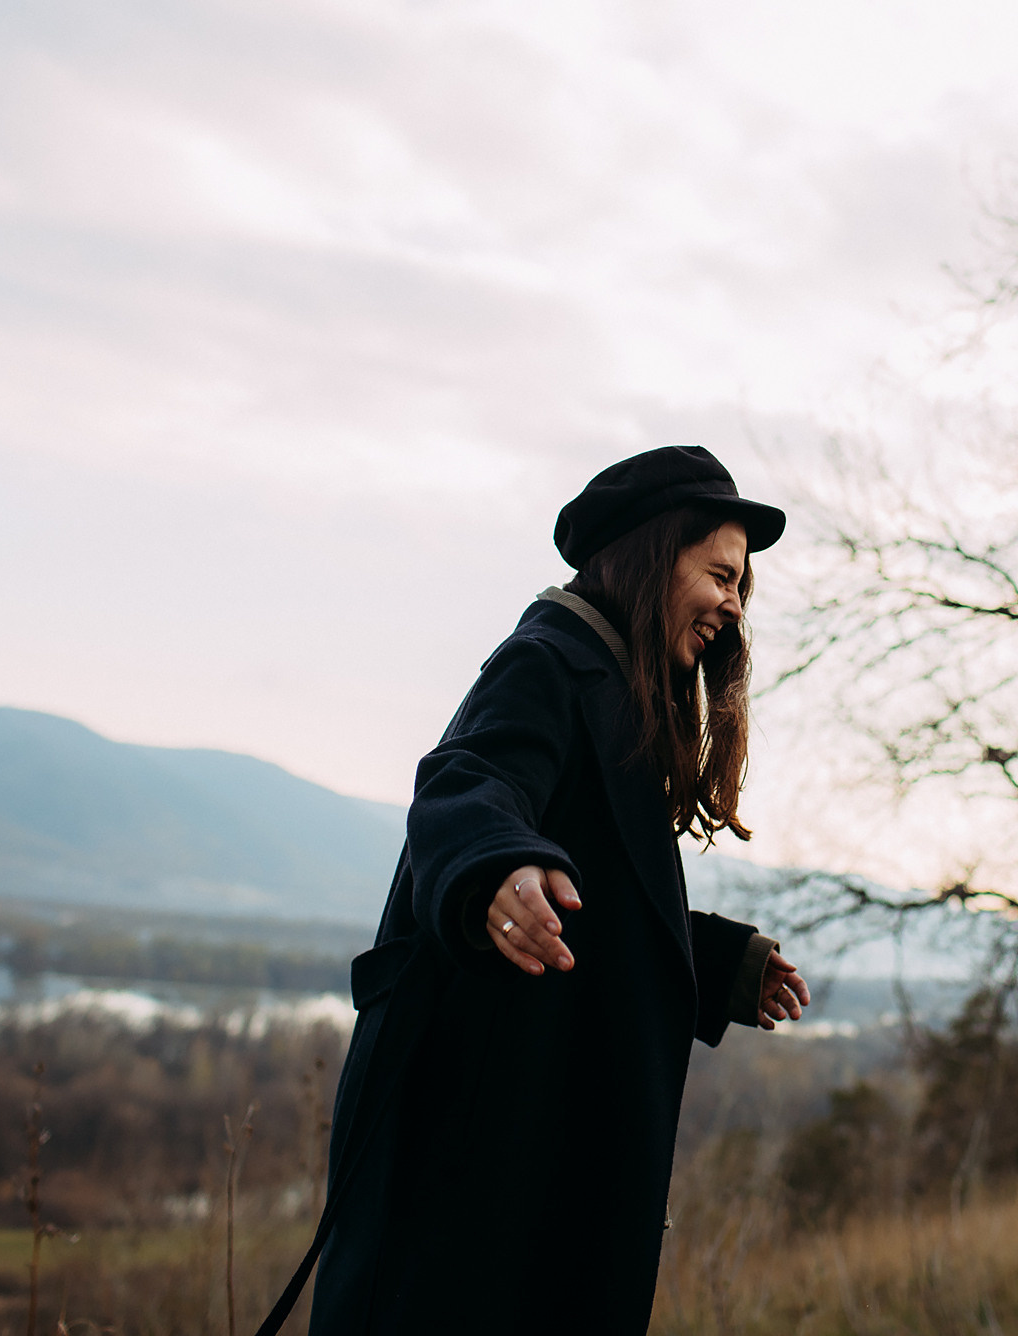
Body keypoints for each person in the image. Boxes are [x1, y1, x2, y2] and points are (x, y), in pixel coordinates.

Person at [293, 445, 810, 1335]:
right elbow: (467, 781)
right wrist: (496, 867)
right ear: (653, 558)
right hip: (476, 1153)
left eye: (741, 586)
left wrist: (716, 962)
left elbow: (594, 893)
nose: (733, 603)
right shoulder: (547, 662)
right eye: (720, 574)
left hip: (531, 1145)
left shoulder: (612, 686)